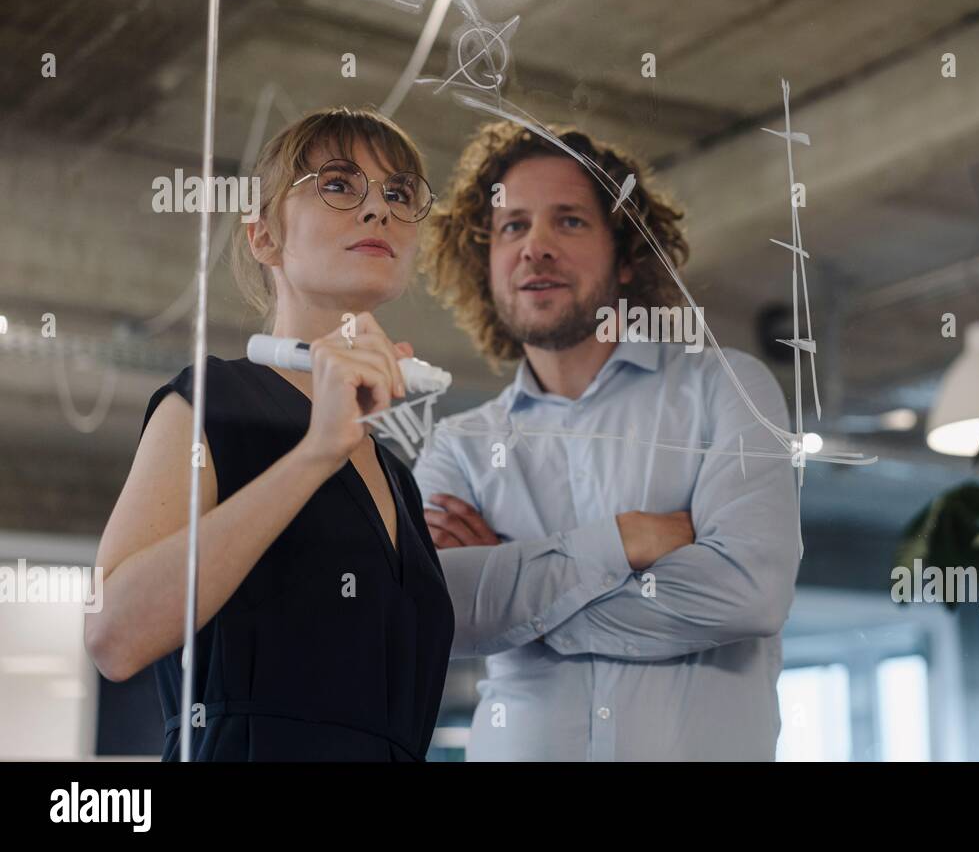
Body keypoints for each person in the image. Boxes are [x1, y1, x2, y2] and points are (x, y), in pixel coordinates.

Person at [414, 121, 800, 761]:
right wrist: (623, 540)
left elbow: (747, 595)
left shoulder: (724, 388)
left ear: (625, 254)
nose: (535, 246)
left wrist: (517, 587)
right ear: (486, 263)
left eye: (568, 221)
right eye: (513, 226)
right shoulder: (460, 445)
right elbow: (435, 616)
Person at [85, 107, 455, 761]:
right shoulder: (215, 402)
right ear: (264, 237)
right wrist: (315, 454)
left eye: (399, 193)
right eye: (339, 184)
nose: (379, 211)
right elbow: (113, 634)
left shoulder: (397, 475)